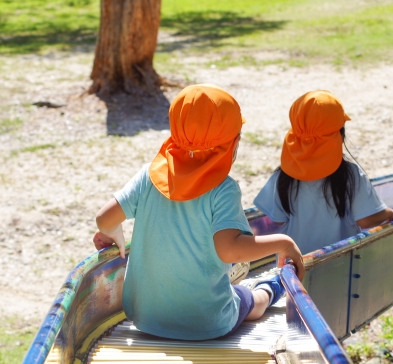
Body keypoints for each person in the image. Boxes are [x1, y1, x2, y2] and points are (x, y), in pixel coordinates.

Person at [92, 84, 304, 341]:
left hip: (147, 318)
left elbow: (104, 219)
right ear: (232, 143)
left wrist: (113, 232)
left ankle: (244, 285)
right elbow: (230, 250)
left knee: (231, 288)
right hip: (207, 323)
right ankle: (270, 289)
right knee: (249, 302)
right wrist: (285, 243)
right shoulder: (223, 190)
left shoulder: (149, 176)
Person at [254, 90, 393, 255]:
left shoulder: (283, 177)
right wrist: (388, 213)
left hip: (295, 266)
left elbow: (277, 219)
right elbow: (365, 219)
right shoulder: (351, 175)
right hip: (340, 262)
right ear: (339, 134)